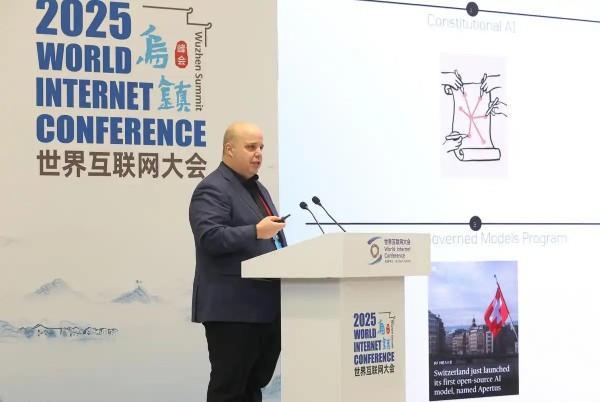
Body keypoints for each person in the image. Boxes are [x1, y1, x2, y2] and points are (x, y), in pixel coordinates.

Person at [189, 122, 287, 402]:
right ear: (229, 149)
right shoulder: (212, 188)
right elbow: (209, 237)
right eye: (251, 147)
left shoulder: (258, 188)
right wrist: (255, 231)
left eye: (261, 147)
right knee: (229, 390)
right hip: (233, 309)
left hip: (265, 307)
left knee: (251, 388)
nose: (258, 153)